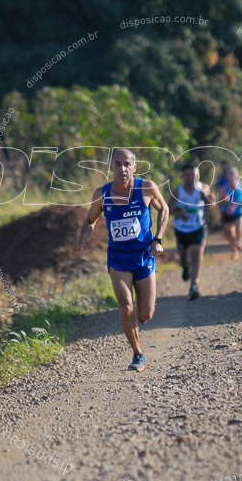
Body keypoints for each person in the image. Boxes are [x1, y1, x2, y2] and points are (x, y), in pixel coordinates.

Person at [76, 149, 170, 372]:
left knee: (145, 314)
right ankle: (138, 354)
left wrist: (158, 239)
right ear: (111, 167)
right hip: (118, 259)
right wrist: (81, 238)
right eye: (117, 164)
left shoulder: (146, 187)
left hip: (144, 257)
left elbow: (164, 208)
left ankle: (137, 319)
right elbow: (90, 220)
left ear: (134, 167)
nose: (122, 169)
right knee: (126, 305)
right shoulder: (102, 194)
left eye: (127, 164)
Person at [171, 164, 213, 300]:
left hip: (197, 227)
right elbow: (167, 209)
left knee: (196, 255)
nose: (190, 177)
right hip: (181, 229)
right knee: (183, 258)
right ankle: (184, 267)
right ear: (183, 176)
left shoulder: (202, 190)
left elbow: (210, 204)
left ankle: (193, 286)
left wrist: (209, 209)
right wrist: (178, 213)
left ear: (197, 175)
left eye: (193, 174)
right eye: (187, 174)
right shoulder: (177, 192)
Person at [220, 167, 242, 260]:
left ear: (237, 176)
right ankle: (234, 250)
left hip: (239, 212)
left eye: (233, 175)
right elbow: (219, 203)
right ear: (227, 176)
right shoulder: (224, 187)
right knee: (230, 235)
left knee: (239, 229)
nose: (231, 177)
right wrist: (224, 200)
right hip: (227, 214)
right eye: (230, 175)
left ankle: (240, 241)